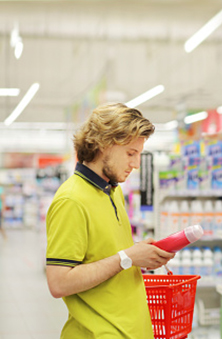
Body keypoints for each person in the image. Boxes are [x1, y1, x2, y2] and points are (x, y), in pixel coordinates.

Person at [46, 103, 174, 339]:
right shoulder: (71, 200)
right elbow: (59, 283)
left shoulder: (113, 191)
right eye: (130, 153)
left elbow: (108, 256)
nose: (136, 165)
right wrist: (127, 257)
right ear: (103, 144)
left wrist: (139, 254)